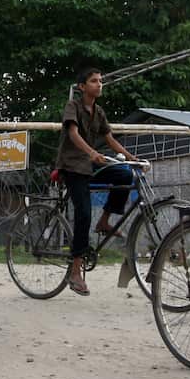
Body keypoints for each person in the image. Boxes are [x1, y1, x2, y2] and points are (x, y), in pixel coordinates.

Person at [55, 67, 141, 296]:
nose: (99, 84)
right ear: (82, 86)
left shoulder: (99, 111)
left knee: (125, 174)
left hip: (90, 163)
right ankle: (75, 271)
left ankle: (104, 221)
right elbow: (73, 134)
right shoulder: (73, 106)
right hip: (72, 165)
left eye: (100, 81)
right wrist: (92, 152)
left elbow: (109, 138)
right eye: (94, 81)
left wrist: (131, 158)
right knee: (83, 213)